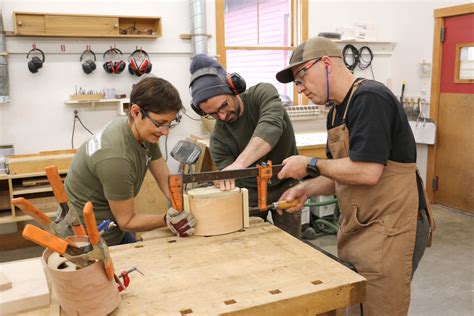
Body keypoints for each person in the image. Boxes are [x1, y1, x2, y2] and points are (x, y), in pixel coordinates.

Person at [274, 37, 435, 315]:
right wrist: (307, 189)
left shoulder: (370, 98)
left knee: (380, 308)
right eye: (296, 83)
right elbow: (341, 173)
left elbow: (367, 171)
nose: (300, 88)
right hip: (361, 227)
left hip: (393, 227)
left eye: (302, 76)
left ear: (326, 63)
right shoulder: (337, 111)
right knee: (355, 306)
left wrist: (309, 163)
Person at [65, 76, 196, 246]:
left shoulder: (139, 130)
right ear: (136, 112)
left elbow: (165, 178)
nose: (165, 132)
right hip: (92, 239)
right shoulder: (117, 159)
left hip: (113, 224)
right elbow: (126, 222)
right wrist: (168, 219)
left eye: (169, 124)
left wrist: (182, 204)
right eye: (160, 123)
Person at [188, 54, 301, 239]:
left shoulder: (262, 94)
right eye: (213, 114)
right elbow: (230, 181)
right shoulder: (218, 138)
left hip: (287, 184)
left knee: (292, 242)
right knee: (249, 241)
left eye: (223, 106)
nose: (222, 116)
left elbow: (271, 126)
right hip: (249, 192)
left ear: (234, 89)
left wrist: (239, 165)